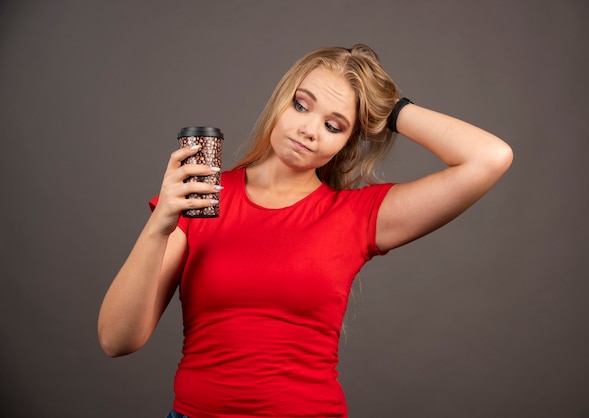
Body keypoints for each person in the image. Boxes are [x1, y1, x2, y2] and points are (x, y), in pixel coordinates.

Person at [98, 44, 513, 418]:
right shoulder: (203, 198)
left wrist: (390, 110)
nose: (309, 129)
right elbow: (117, 340)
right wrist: (160, 223)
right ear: (281, 100)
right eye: (301, 105)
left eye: (334, 125)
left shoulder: (355, 215)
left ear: (348, 142)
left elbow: (489, 157)